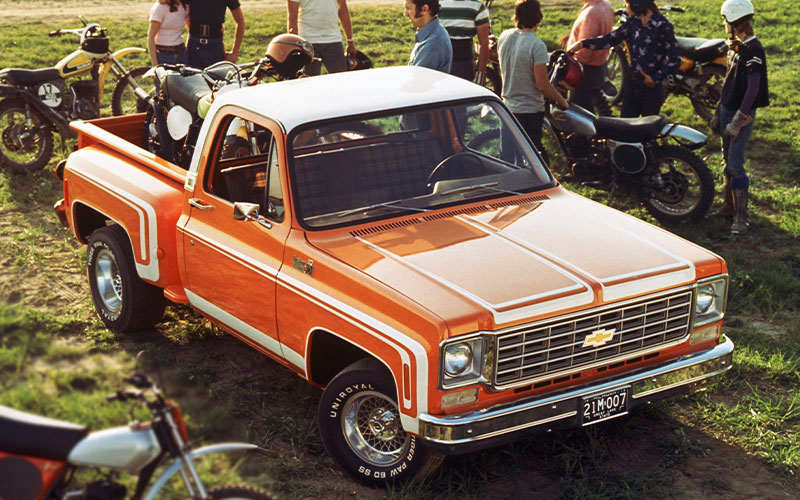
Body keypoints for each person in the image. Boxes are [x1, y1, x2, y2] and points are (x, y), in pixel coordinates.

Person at [711, 0, 768, 234]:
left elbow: (753, 88)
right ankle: (728, 206)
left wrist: (739, 118)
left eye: (725, 19)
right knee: (726, 161)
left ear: (734, 22)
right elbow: (729, 83)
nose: (724, 23)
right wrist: (718, 109)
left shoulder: (753, 50)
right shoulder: (736, 46)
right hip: (727, 109)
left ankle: (741, 218)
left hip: (740, 114)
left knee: (735, 164)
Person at [567, 0, 679, 117]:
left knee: (647, 131)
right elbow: (610, 39)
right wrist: (583, 43)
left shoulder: (663, 25)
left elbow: (675, 59)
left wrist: (654, 78)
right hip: (632, 84)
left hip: (651, 90)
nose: (625, 6)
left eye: (627, 3)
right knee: (625, 129)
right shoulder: (633, 22)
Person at [497, 0, 568, 154]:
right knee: (530, 158)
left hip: (508, 108)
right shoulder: (536, 45)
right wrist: (561, 101)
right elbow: (542, 84)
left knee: (508, 158)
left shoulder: (504, 36)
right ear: (538, 16)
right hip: (529, 111)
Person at [565, 0, 614, 113]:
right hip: (599, 66)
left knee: (580, 112)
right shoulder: (606, 5)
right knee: (589, 106)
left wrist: (571, 65)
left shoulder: (591, 14)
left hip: (585, 71)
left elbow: (585, 49)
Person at [287, 0, 357, 75]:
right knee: (308, 83)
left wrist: (350, 41)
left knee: (340, 81)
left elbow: (343, 10)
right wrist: (293, 46)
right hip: (307, 42)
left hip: (333, 40)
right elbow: (292, 16)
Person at [438, 0, 490, 84]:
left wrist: (481, 73)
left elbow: (484, 43)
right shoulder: (438, 4)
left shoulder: (477, 7)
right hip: (440, 62)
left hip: (464, 64)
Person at [184, 0, 246, 68]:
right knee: (192, 77)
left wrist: (235, 52)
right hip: (193, 46)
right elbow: (185, 15)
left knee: (215, 77)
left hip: (215, 46)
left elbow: (240, 22)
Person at [404, 0, 453, 73]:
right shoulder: (431, 32)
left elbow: (416, 81)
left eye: (408, 8)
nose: (405, 14)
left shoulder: (432, 44)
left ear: (424, 9)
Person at [147, 0, 189, 66]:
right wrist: (155, 65)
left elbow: (189, 25)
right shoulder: (160, 8)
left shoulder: (184, 6)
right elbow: (151, 37)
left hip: (181, 54)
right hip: (163, 55)